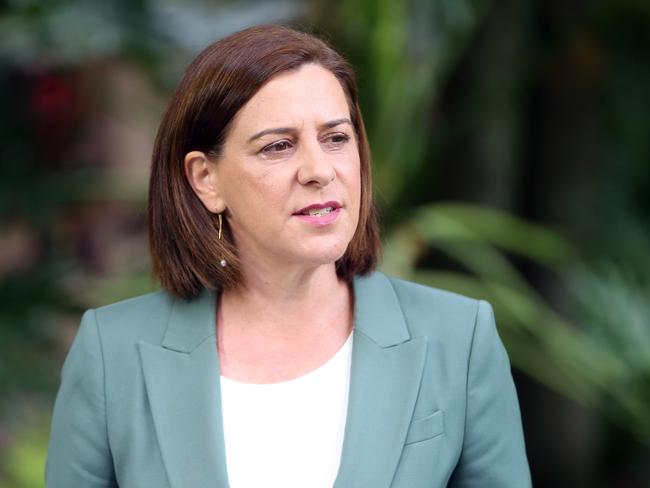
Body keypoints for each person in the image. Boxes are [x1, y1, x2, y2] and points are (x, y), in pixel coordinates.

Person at [45, 24, 532, 488]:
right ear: (205, 180)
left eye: (336, 138)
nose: (319, 170)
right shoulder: (112, 352)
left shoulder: (459, 339)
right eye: (278, 146)